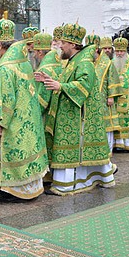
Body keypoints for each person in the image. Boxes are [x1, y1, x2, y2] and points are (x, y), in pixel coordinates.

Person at [36, 22, 114, 194]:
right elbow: (67, 81)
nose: (60, 46)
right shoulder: (73, 60)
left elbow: (83, 86)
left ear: (72, 44)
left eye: (63, 42)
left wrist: (60, 86)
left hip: (78, 116)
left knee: (71, 148)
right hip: (70, 112)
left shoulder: (84, 62)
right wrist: (49, 79)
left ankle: (68, 185)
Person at [0, 17, 49, 201]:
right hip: (28, 119)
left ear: (0, 45)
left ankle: (15, 191)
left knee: (11, 153)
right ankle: (30, 187)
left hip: (14, 123)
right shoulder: (23, 62)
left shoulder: (4, 69)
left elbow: (5, 100)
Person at [95, 36, 121, 153]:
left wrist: (111, 96)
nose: (107, 51)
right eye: (104, 48)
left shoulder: (108, 63)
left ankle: (108, 149)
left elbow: (113, 79)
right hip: (96, 99)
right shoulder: (94, 63)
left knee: (108, 125)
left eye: (109, 48)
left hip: (106, 100)